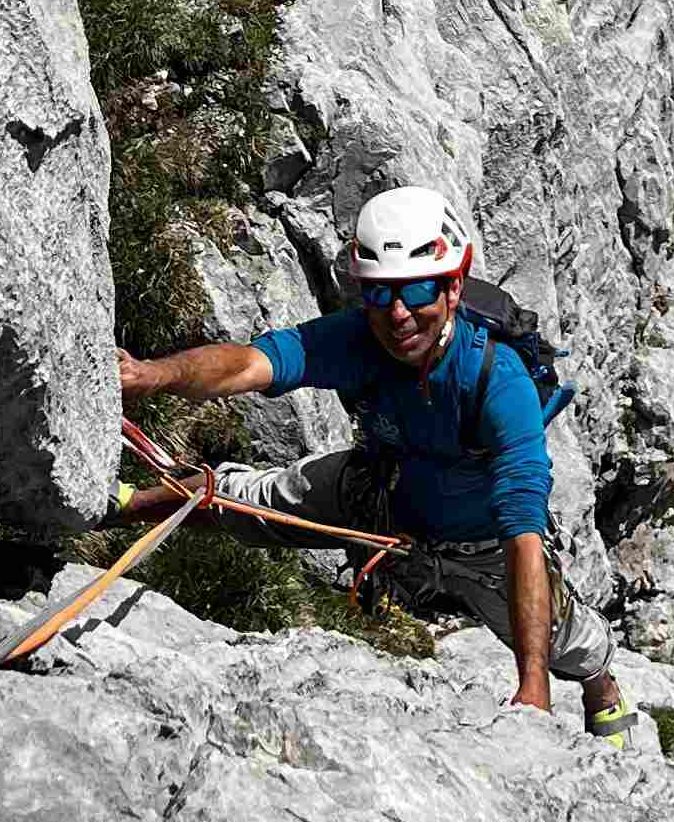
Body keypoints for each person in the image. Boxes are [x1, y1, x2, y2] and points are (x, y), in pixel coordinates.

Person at [115, 183, 634, 745]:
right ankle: (121, 506)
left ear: (453, 288)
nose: (399, 314)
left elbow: (523, 532)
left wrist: (533, 686)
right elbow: (249, 364)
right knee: (249, 500)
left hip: (482, 542)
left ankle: (602, 689)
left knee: (565, 644)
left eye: (416, 291)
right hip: (383, 492)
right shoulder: (359, 340)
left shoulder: (497, 380)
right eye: (381, 294)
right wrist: (152, 375)